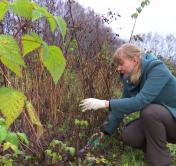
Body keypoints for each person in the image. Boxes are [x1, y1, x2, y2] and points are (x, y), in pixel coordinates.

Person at [79, 43, 176, 166]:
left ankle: (160, 162)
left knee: (150, 112)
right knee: (130, 135)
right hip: (163, 120)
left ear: (134, 60)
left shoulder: (157, 69)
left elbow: (140, 101)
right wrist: (105, 131)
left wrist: (104, 103)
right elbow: (122, 106)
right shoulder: (132, 77)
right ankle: (155, 152)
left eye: (121, 63)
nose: (118, 68)